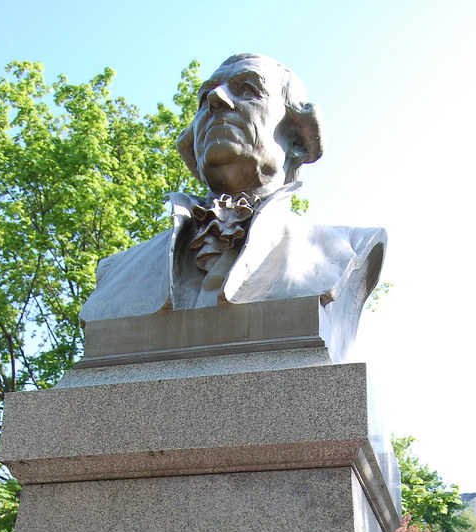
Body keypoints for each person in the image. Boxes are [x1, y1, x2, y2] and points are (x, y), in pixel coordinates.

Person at [80, 53, 385, 332]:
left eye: (248, 89)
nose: (215, 98)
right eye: (203, 98)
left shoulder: (349, 250)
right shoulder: (117, 272)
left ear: (298, 141)